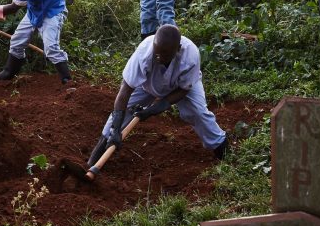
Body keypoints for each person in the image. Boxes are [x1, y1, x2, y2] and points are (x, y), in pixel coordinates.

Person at [87, 25, 228, 170]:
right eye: (156, 52)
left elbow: (184, 90)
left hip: (182, 85)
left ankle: (222, 150)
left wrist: (155, 109)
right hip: (149, 84)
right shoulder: (144, 53)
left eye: (164, 54)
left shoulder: (190, 55)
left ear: (177, 49)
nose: (158, 57)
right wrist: (116, 130)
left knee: (198, 113)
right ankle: (92, 163)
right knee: (116, 121)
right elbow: (125, 90)